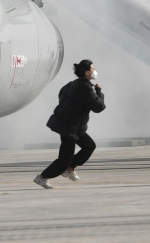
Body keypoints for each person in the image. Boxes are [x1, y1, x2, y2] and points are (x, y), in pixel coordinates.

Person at [35, 59, 105, 189]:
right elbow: (99, 107)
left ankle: (70, 168)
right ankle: (42, 177)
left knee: (89, 146)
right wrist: (99, 92)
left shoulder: (73, 84)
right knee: (64, 160)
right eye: (92, 69)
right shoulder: (86, 88)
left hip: (75, 126)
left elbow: (61, 94)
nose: (95, 71)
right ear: (86, 72)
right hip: (69, 127)